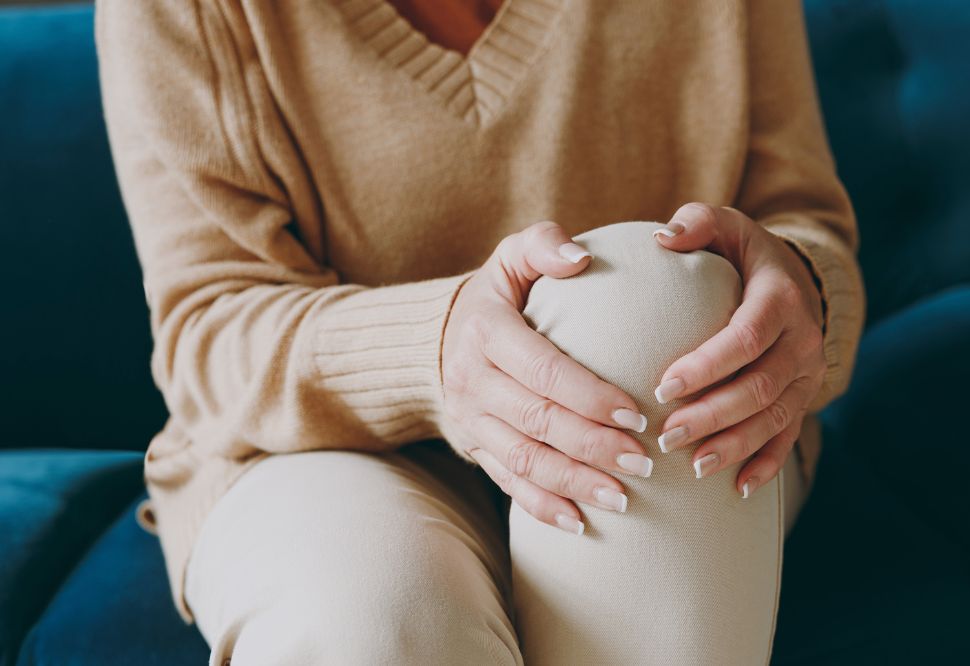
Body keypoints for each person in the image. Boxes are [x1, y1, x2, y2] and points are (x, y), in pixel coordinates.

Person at [95, 0, 864, 663]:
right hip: (316, 449)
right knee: (376, 625)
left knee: (645, 294)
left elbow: (802, 223)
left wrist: (800, 289)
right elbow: (213, 327)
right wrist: (436, 350)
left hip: (664, 421)